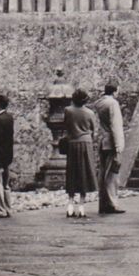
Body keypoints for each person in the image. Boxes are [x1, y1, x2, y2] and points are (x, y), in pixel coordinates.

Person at [63, 88, 99, 218]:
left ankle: (70, 204)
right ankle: (82, 206)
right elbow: (94, 130)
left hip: (72, 143)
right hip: (86, 143)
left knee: (72, 173)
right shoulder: (90, 113)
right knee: (85, 173)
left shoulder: (68, 111)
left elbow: (66, 126)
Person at [94, 82, 126, 214]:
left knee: (103, 173)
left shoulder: (99, 103)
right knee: (112, 174)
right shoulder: (113, 104)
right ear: (114, 91)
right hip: (112, 142)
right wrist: (119, 146)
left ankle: (104, 202)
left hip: (103, 140)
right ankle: (112, 203)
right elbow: (116, 125)